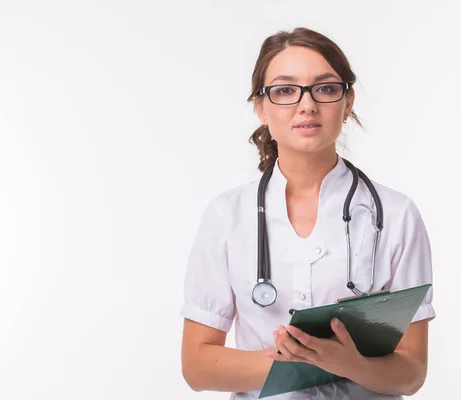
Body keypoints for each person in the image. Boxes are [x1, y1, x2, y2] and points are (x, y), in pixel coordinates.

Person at [180, 27, 435, 399]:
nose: (307, 105)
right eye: (285, 90)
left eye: (325, 88)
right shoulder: (227, 215)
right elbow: (198, 366)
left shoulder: (396, 215)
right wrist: (309, 360)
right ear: (261, 107)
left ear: (347, 103)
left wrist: (349, 363)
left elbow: (411, 372)